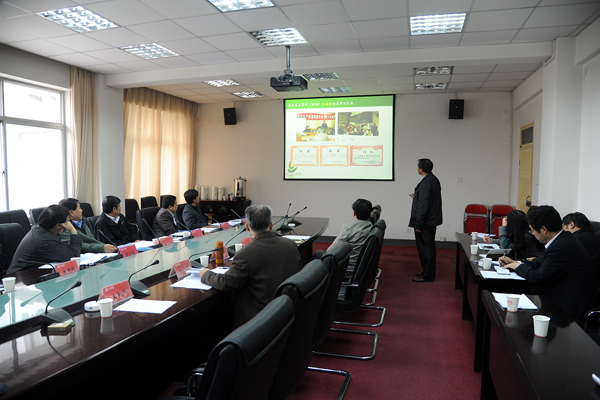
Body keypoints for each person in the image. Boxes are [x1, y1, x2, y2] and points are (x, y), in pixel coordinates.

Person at [200, 204, 302, 329]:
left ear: (247, 227)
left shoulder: (246, 253)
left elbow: (226, 283)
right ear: (271, 225)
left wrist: (205, 274)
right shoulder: (291, 244)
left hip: (259, 321)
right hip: (288, 313)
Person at [500, 206, 596, 325]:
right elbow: (540, 261)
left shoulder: (561, 246)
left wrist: (518, 267)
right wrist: (516, 263)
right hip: (562, 295)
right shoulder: (563, 238)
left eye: (532, 230)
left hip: (568, 308)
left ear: (543, 229)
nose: (532, 234)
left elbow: (539, 277)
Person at [8, 205, 83, 273]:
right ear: (58, 225)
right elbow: (73, 256)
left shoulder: (39, 228)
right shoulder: (44, 241)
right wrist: (73, 231)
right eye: (67, 220)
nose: (69, 223)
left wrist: (59, 232)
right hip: (21, 276)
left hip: (35, 271)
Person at [314, 199, 373, 270]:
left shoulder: (348, 227)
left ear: (354, 213)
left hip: (345, 265)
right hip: (361, 265)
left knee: (317, 254)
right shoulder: (371, 227)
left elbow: (330, 250)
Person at [409, 158, 443, 282]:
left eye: (418, 166)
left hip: (425, 222)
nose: (417, 168)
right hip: (431, 220)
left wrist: (418, 223)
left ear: (421, 169)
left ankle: (427, 275)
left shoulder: (426, 182)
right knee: (428, 247)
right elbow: (428, 198)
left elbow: (424, 206)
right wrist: (417, 196)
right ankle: (427, 272)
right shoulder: (433, 179)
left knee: (425, 249)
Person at [562, 212, 600, 285]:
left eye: (563, 227)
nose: (562, 231)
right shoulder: (596, 237)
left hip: (578, 282)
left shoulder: (572, 240)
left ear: (571, 224)